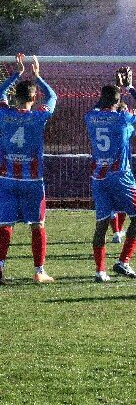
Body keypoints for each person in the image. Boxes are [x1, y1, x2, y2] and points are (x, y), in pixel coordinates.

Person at [87, 67, 136, 282]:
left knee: (101, 224)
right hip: (120, 175)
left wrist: (114, 92)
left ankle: (100, 271)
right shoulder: (123, 118)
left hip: (98, 177)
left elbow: (101, 106)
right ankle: (123, 262)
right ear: (117, 102)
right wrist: (129, 87)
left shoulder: (91, 117)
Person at [0, 54, 57, 284]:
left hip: (6, 178)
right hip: (32, 180)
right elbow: (52, 96)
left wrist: (16, 74)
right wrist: (38, 77)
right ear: (34, 98)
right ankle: (39, 271)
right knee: (37, 224)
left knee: (5, 224)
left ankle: (0, 268)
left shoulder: (4, 113)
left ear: (15, 96)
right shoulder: (38, 115)